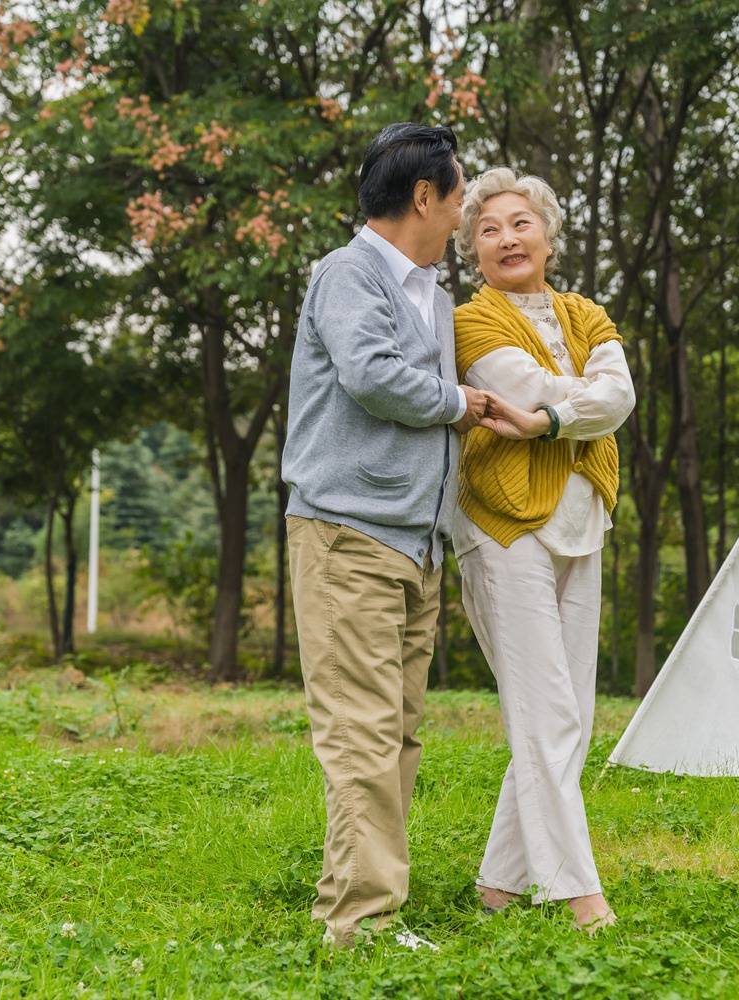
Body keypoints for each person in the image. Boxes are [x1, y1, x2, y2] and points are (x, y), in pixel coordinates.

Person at [281, 122, 491, 951]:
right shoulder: (348, 273)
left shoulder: (433, 297)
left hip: (416, 542)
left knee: (396, 730)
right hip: (346, 533)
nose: (465, 216)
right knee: (361, 730)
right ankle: (360, 922)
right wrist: (459, 403)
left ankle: (359, 900)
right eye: (461, 197)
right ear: (424, 196)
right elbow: (371, 376)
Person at [450, 167, 636, 933]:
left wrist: (559, 417)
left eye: (520, 222)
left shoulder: (587, 312)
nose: (506, 238)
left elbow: (618, 396)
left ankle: (500, 881)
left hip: (580, 516)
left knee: (574, 713)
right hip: (502, 523)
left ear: (549, 234)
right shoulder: (470, 323)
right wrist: (573, 402)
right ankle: (575, 891)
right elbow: (524, 389)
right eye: (488, 229)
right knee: (548, 711)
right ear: (472, 251)